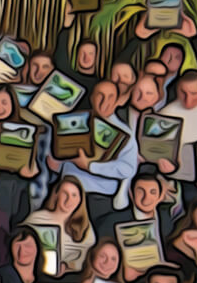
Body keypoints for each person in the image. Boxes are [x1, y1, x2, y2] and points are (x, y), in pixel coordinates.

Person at [54, 78, 139, 215]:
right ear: (92, 98)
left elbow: (128, 169)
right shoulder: (74, 121)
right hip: (67, 193)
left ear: (117, 101)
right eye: (100, 95)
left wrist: (90, 166)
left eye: (111, 96)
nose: (105, 101)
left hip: (98, 199)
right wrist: (56, 165)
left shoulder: (125, 134)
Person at [22, 176, 95, 273]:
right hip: (38, 272)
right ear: (56, 195)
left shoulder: (85, 225)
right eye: (65, 194)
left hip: (72, 276)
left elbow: (88, 257)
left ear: (81, 200)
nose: (69, 200)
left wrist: (67, 266)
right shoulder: (37, 218)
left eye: (74, 195)